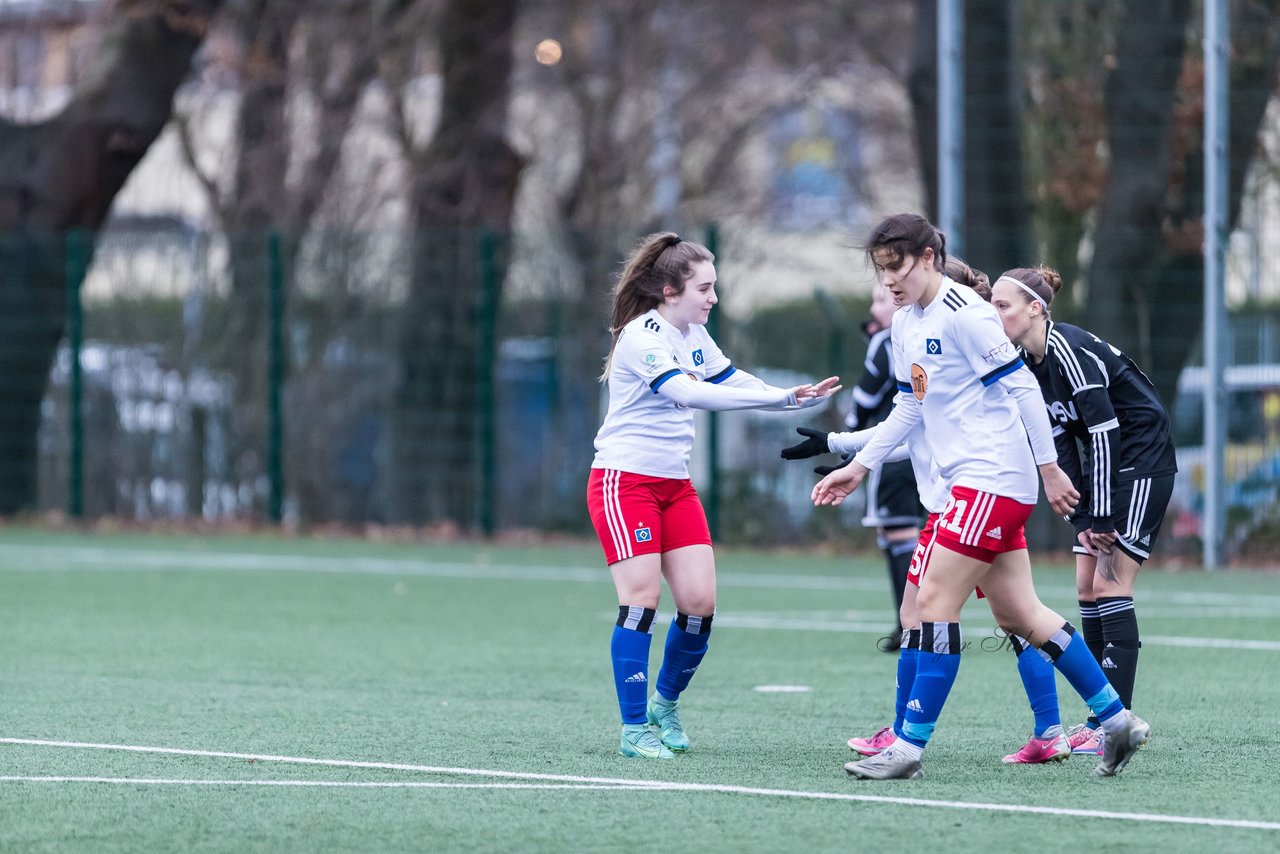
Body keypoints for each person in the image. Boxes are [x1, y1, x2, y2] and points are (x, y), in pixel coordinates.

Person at [812, 213, 1149, 780]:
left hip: (989, 480)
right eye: (880, 270)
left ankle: (908, 747)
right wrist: (860, 465)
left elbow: (1021, 387)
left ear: (927, 257)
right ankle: (1116, 720)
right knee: (1019, 614)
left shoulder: (967, 315)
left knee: (931, 606)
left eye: (896, 267)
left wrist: (1049, 470)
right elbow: (910, 407)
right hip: (969, 486)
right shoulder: (904, 324)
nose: (889, 280)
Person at [785, 258, 1068, 766]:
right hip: (964, 500)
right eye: (880, 290)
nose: (885, 297)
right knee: (1010, 617)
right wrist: (839, 445)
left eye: (891, 286)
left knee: (944, 613)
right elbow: (904, 425)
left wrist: (846, 450)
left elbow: (921, 421)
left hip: (973, 499)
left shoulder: (952, 338)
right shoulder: (916, 339)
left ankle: (907, 741)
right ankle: (1070, 725)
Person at [588, 231, 840, 760]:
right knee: (640, 603)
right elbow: (688, 391)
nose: (714, 298)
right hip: (623, 482)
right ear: (669, 290)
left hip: (674, 487)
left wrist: (791, 400)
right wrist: (774, 397)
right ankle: (633, 729)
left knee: (700, 606)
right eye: (704, 287)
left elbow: (730, 379)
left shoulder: (693, 334)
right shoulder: (643, 336)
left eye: (715, 287)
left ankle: (664, 704)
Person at [991, 266, 1178, 755]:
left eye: (1002, 305)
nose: (994, 313)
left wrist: (1102, 517)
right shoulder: (1024, 361)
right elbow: (1058, 436)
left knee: (1110, 584)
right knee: (1084, 588)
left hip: (1140, 461)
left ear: (1036, 308)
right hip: (1105, 468)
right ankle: (1101, 717)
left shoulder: (1067, 351)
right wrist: (1080, 510)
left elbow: (1103, 432)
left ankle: (1117, 722)